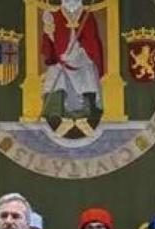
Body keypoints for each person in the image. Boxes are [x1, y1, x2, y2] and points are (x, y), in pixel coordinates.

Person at [41, 0, 103, 137]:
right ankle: (60, 121)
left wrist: (81, 54)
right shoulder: (54, 15)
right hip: (60, 60)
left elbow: (92, 41)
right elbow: (50, 43)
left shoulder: (87, 16)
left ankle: (84, 120)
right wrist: (49, 31)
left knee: (88, 73)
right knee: (54, 75)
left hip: (82, 59)